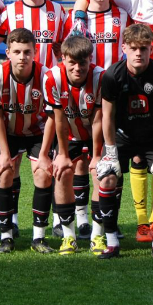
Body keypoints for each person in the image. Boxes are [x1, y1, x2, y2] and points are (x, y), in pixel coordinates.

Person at [96, 23, 153, 259]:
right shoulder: (112, 75)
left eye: (143, 48)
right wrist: (111, 151)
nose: (138, 53)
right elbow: (107, 115)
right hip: (123, 136)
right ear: (124, 48)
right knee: (107, 178)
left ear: (150, 49)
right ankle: (112, 243)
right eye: (133, 48)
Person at [0, 28, 56, 254]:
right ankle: (6, 236)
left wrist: (45, 154)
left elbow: (51, 118)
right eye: (17, 51)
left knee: (43, 173)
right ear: (7, 52)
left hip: (38, 130)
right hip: (8, 131)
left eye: (27, 52)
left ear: (35, 52)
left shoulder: (46, 76)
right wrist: (5, 153)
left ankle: (39, 237)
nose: (22, 57)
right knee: (5, 172)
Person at [44, 35, 105, 254]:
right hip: (68, 134)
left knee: (102, 175)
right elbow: (58, 119)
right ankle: (69, 237)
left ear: (90, 59)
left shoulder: (100, 77)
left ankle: (97, 236)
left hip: (96, 134)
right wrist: (62, 154)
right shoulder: (52, 77)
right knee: (62, 173)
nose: (78, 68)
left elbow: (99, 119)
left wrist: (97, 155)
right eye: (72, 62)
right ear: (63, 58)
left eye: (83, 63)